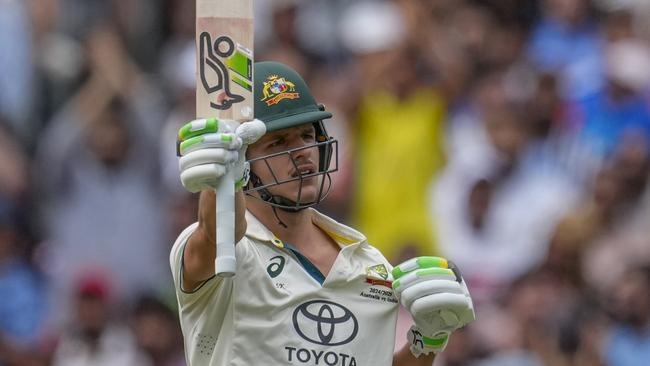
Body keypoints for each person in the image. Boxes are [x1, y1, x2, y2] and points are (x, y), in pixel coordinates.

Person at [170, 61, 475, 365]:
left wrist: (428, 342)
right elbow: (217, 233)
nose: (302, 150)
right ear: (243, 163)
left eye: (306, 135)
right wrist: (220, 180)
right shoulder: (227, 248)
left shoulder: (370, 266)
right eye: (278, 142)